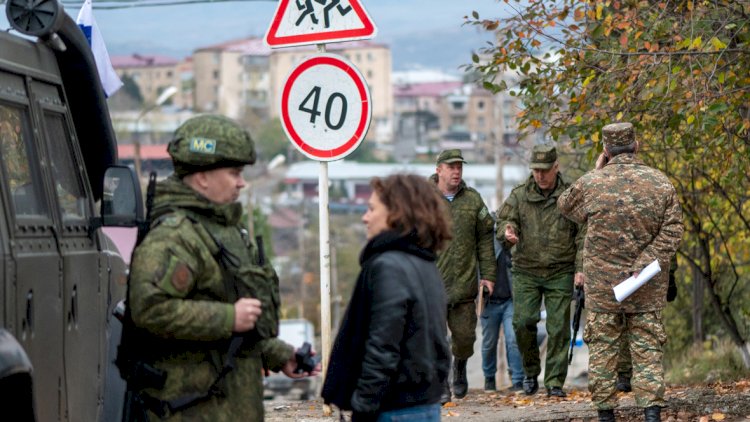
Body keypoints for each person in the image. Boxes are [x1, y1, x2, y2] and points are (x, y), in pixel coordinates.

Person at [125, 115, 319, 421]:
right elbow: (150, 309)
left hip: (228, 407)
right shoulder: (176, 236)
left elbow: (232, 328)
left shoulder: (224, 232)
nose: (242, 182)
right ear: (203, 177)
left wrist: (279, 354)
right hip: (191, 409)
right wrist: (229, 317)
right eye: (234, 173)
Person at [558, 122, 683, 422]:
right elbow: (674, 230)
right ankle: (651, 414)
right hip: (646, 286)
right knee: (648, 350)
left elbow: (565, 206)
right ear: (636, 145)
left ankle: (605, 415)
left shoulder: (593, 184)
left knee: (602, 351)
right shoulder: (660, 183)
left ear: (606, 150)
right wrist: (646, 260)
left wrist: (598, 171)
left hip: (603, 288)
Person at [322, 174, 452, 422]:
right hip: (424, 405)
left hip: (393, 409)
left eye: (372, 209)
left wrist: (363, 408)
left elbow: (383, 347)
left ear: (396, 213)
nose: (365, 217)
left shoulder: (388, 266)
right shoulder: (425, 263)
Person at [496, 144, 584, 398]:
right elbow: (503, 222)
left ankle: (554, 382)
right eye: (536, 170)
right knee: (522, 322)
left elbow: (583, 233)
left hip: (560, 270)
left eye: (545, 170)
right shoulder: (520, 195)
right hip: (526, 270)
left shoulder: (570, 195)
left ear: (556, 167)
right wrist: (507, 233)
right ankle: (530, 371)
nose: (541, 175)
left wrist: (580, 269)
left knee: (558, 328)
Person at [430, 149, 497, 401]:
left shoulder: (472, 200)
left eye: (459, 166)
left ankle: (460, 367)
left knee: (465, 338)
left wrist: (488, 275)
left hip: (465, 286)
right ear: (439, 170)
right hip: (432, 286)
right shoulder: (424, 199)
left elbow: (485, 240)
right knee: (436, 340)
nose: (457, 171)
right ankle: (442, 384)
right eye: (451, 167)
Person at [615, 256, 678, 393]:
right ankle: (625, 374)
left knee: (647, 329)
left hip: (650, 276)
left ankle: (646, 378)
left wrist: (670, 275)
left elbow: (665, 246)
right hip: (621, 273)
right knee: (623, 326)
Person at [481, 234, 525, 392]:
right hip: (489, 302)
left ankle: (518, 379)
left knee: (513, 338)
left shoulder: (513, 246)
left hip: (509, 301)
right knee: (489, 342)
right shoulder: (483, 247)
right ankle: (489, 378)